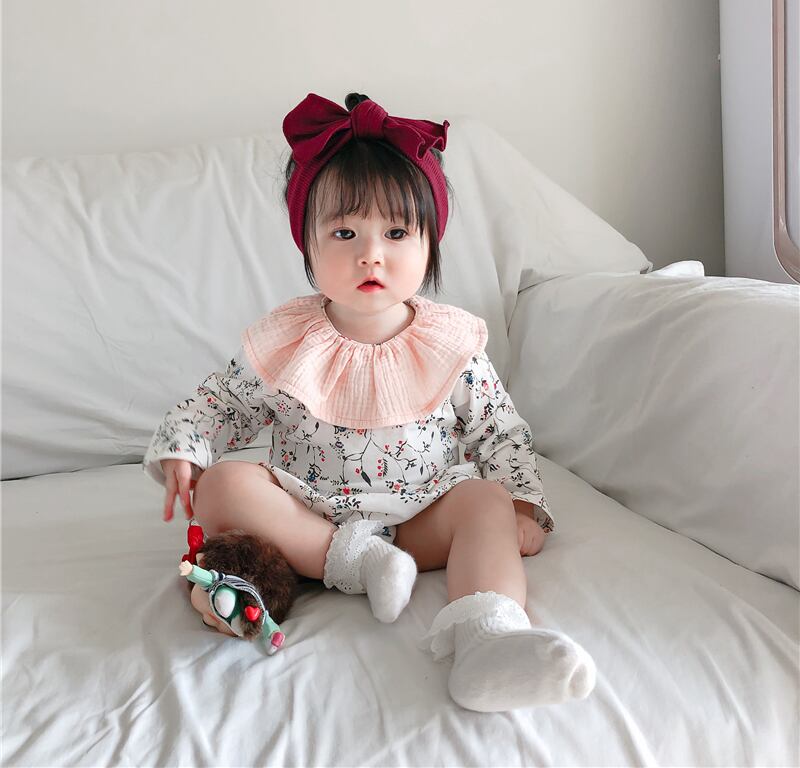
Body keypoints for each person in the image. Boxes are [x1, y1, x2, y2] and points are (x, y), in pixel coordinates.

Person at [142, 91, 596, 713]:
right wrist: (185, 446)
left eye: (397, 232)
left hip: (419, 520)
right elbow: (220, 402)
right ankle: (358, 565)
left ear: (431, 244)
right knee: (224, 485)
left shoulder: (451, 342)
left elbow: (497, 429)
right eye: (344, 232)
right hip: (308, 520)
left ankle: (487, 641)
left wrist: (523, 503)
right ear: (307, 243)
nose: (370, 254)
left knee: (484, 502)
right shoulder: (288, 339)